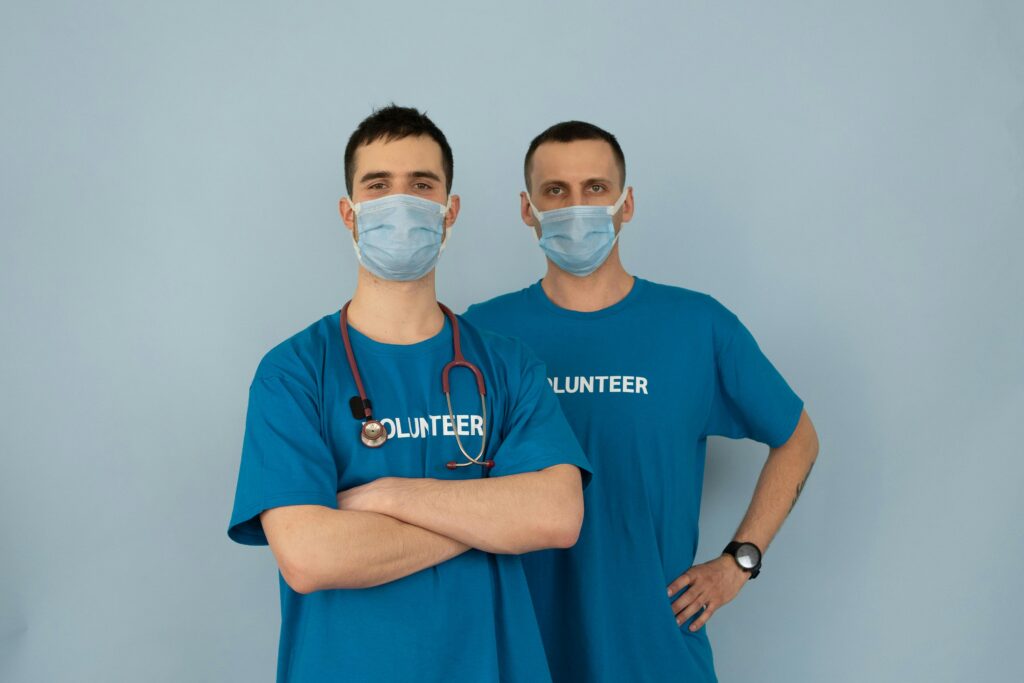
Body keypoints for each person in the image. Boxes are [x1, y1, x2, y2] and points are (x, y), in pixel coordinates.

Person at [227, 106, 592, 683]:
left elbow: (556, 515)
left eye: (422, 185)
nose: (401, 203)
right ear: (349, 214)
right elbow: (310, 556)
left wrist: (391, 495)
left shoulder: (507, 365)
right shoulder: (293, 372)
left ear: (450, 212)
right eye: (379, 186)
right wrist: (486, 514)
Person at [463, 120, 820, 682]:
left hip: (656, 649)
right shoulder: (480, 336)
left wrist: (738, 563)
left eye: (595, 189)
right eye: (555, 191)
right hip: (522, 650)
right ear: (527, 209)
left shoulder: (696, 326)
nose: (575, 207)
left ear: (626, 204)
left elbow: (797, 437)